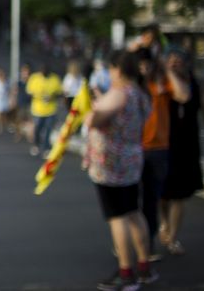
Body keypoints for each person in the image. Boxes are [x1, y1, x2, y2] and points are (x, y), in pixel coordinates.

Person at [84, 50, 155, 291]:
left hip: (111, 165)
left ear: (117, 70)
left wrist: (90, 110)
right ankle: (144, 266)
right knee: (133, 212)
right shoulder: (140, 94)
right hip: (132, 161)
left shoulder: (120, 93)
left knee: (118, 217)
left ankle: (126, 272)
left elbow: (96, 119)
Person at [158, 50, 204, 256]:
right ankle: (165, 223)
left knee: (180, 195)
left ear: (187, 64)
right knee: (162, 195)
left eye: (178, 61)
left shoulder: (198, 85)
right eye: (171, 61)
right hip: (163, 145)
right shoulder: (163, 83)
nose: (174, 65)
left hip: (187, 146)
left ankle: (173, 236)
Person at [135, 47, 190, 259]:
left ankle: (147, 246)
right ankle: (128, 242)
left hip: (158, 150)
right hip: (135, 149)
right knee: (132, 202)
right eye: (140, 65)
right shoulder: (132, 86)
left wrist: (168, 71)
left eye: (147, 64)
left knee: (152, 201)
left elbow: (183, 95)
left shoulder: (161, 83)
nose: (144, 68)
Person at [26, 64, 62, 157]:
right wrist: (38, 95)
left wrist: (52, 96)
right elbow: (29, 92)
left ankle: (46, 147)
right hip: (38, 110)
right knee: (38, 128)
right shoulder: (34, 78)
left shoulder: (55, 79)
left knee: (48, 129)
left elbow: (60, 93)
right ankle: (36, 144)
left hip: (51, 109)